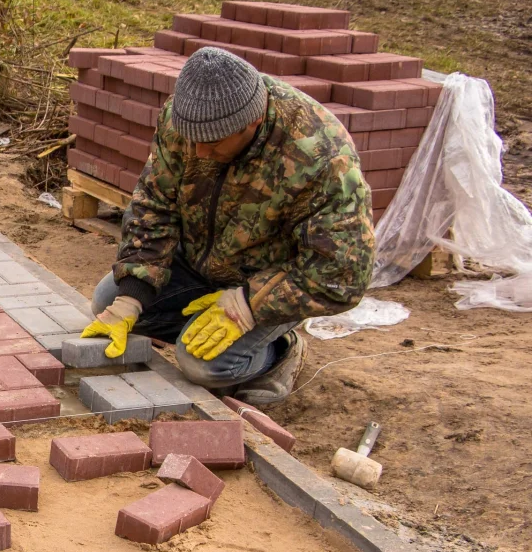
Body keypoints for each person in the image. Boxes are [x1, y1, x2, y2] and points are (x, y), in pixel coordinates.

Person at [83, 46, 376, 406]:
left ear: (251, 124)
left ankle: (280, 351)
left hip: (267, 283)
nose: (197, 154)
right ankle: (204, 327)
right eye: (190, 141)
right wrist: (133, 295)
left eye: (212, 144)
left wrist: (249, 305)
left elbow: (344, 274)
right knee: (108, 301)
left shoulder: (320, 156)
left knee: (202, 367)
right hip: (198, 265)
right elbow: (155, 203)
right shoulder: (188, 121)